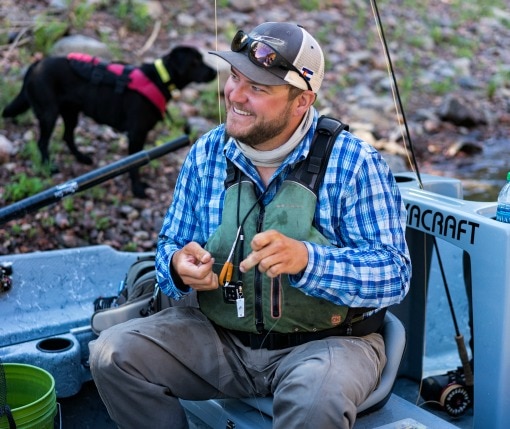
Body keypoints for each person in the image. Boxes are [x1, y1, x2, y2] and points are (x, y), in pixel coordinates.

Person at [90, 22, 412, 429]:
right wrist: (177, 266)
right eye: (236, 77)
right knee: (112, 354)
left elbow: (394, 275)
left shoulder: (355, 163)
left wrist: (308, 261)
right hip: (219, 338)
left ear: (301, 101)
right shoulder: (206, 152)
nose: (235, 96)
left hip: (328, 345)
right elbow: (170, 242)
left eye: (258, 88)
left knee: (315, 403)